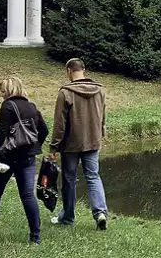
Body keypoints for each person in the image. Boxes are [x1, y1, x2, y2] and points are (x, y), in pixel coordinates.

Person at [0, 77, 49, 244]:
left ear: (9, 90)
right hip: (28, 158)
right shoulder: (31, 106)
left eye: (3, 91)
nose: (2, 95)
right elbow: (44, 129)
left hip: (7, 157)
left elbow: (2, 131)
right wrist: (34, 146)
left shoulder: (8, 106)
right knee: (28, 196)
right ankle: (35, 236)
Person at [49, 58, 109, 230]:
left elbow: (59, 124)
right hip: (93, 141)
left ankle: (67, 217)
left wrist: (54, 147)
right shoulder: (100, 91)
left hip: (71, 145)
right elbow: (103, 116)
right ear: (84, 70)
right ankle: (100, 213)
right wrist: (101, 135)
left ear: (69, 71)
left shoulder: (65, 93)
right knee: (93, 176)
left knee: (69, 179)